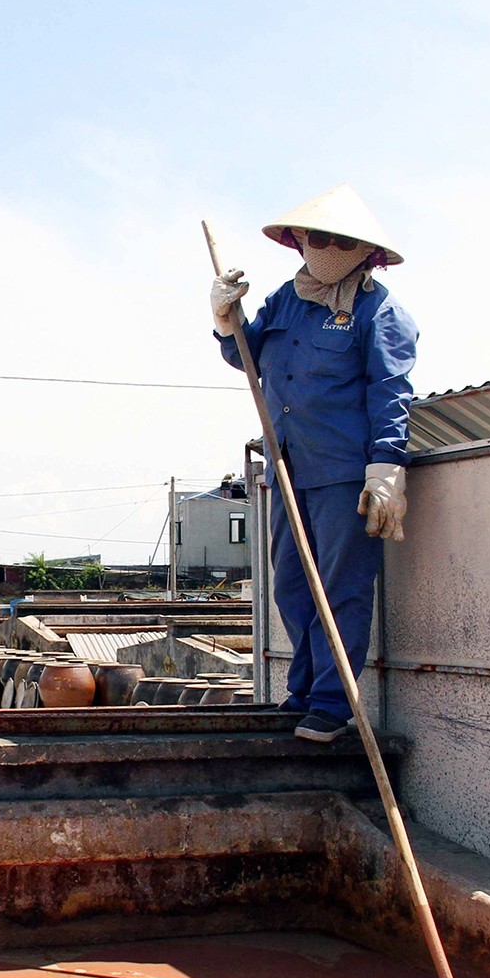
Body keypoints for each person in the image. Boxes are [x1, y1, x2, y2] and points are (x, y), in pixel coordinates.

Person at [209, 184, 415, 743]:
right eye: (312, 236)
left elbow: (390, 392)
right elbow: (243, 357)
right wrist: (228, 317)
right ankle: (302, 691)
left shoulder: (380, 311)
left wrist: (386, 470)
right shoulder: (286, 300)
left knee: (340, 589)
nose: (319, 246)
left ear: (359, 248)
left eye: (332, 238)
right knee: (292, 588)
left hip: (345, 472)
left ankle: (330, 703)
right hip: (289, 467)